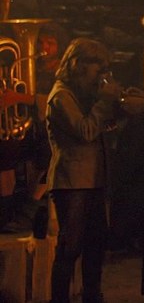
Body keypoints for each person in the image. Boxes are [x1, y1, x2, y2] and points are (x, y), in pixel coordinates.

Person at [46, 38, 123, 303]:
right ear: (78, 64)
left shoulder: (79, 95)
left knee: (94, 246)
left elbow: (98, 125)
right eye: (97, 66)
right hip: (72, 184)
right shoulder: (60, 97)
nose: (101, 73)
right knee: (70, 247)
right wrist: (104, 102)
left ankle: (92, 296)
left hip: (92, 181)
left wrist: (117, 108)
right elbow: (86, 130)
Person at [1, 23, 67, 234]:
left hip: (52, 130)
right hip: (28, 127)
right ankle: (6, 211)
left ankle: (29, 209)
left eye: (50, 43)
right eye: (40, 42)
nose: (43, 47)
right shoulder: (25, 67)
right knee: (5, 150)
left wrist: (19, 98)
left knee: (49, 154)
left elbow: (56, 103)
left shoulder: (63, 71)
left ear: (59, 46)